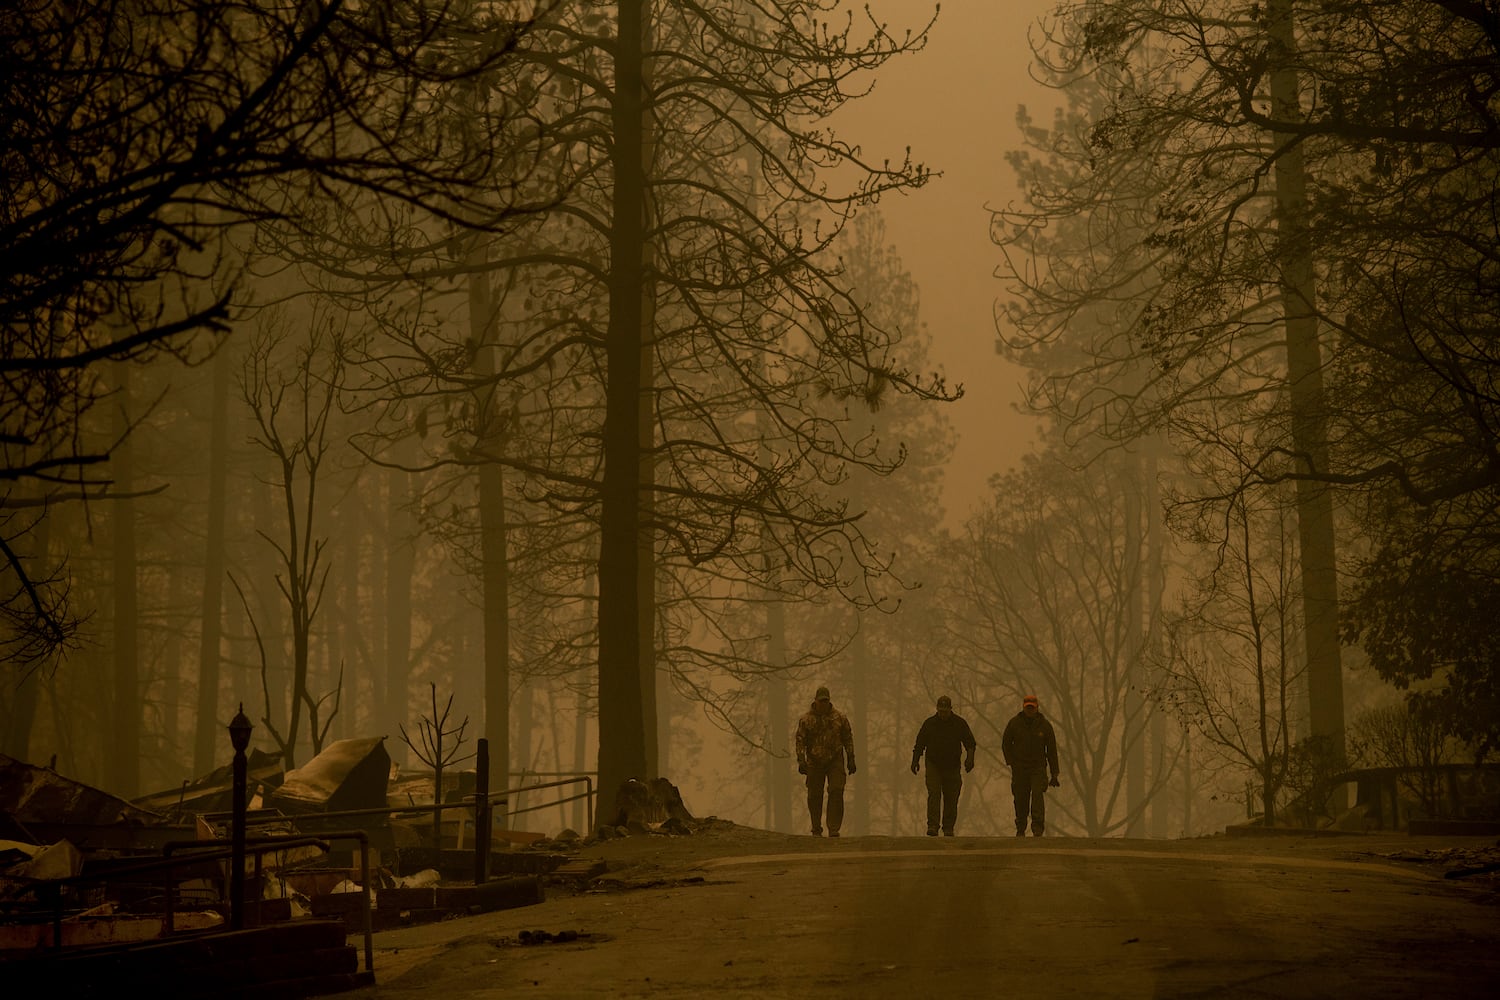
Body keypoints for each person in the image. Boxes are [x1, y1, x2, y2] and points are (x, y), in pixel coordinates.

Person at [910, 695, 977, 836]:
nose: (943, 714)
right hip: (933, 764)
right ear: (937, 709)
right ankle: (933, 826)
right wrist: (915, 760)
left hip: (952, 766)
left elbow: (970, 742)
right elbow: (920, 743)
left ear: (950, 709)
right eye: (940, 711)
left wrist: (970, 759)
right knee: (934, 794)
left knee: (951, 797)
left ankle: (948, 827)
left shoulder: (959, 723)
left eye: (945, 711)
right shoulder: (929, 724)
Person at [794, 685, 856, 837]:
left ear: (829, 701)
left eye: (826, 701)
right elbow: (800, 740)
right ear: (815, 701)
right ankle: (816, 827)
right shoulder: (805, 720)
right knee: (814, 795)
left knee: (836, 790)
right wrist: (801, 760)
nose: (823, 704)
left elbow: (848, 738)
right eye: (821, 701)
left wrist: (851, 758)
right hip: (814, 761)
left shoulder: (840, 718)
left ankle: (833, 828)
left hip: (835, 759)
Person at [1001, 694, 1061, 837]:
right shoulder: (1014, 724)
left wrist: (1055, 773)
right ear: (1023, 707)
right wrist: (1011, 762)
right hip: (1020, 768)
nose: (1029, 710)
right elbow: (1005, 744)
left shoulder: (1045, 726)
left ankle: (1037, 828)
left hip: (1038, 768)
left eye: (1032, 708)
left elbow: (1052, 750)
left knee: (1037, 796)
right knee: (1020, 798)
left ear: (1036, 708)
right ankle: (1021, 827)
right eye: (1027, 707)